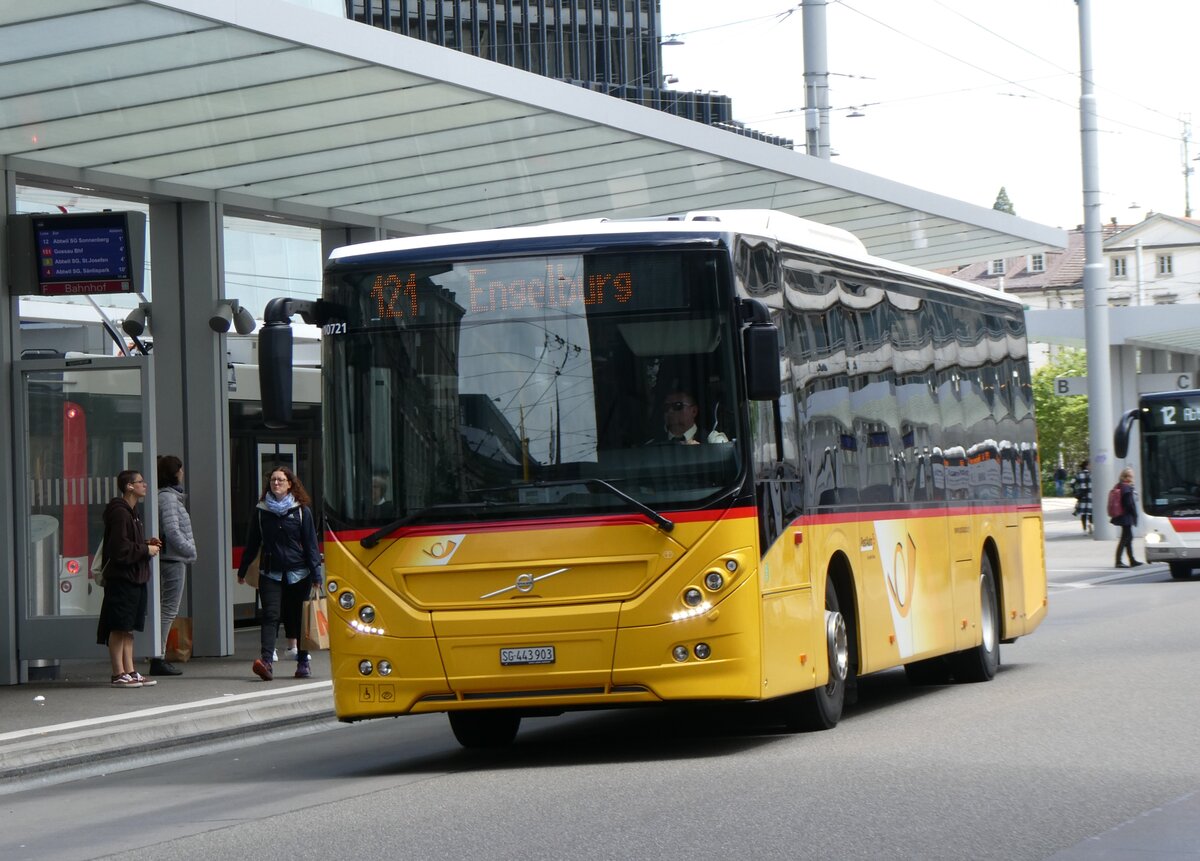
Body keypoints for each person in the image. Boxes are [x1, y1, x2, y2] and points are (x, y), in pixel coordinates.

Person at [236, 466, 322, 681]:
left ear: (290, 484)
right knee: (270, 615)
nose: (276, 483)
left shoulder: (302, 511)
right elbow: (253, 542)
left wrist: (316, 575)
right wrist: (243, 569)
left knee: (298, 618)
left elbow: (311, 544)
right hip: (270, 571)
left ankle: (303, 660)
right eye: (273, 480)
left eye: (281, 480)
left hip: (299, 572)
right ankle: (266, 662)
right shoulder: (261, 510)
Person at [96, 469, 162, 688]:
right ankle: (118, 673)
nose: (145, 485)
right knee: (118, 627)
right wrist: (145, 549)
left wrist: (146, 544)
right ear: (129, 487)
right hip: (122, 578)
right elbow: (119, 548)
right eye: (140, 482)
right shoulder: (120, 512)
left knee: (128, 627)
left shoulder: (133, 511)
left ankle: (130, 670)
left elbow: (127, 543)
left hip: (134, 577)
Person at [151, 455, 196, 676]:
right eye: (181, 469)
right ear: (174, 473)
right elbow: (172, 531)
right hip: (173, 559)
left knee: (164, 608)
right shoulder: (168, 499)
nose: (183, 473)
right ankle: (158, 656)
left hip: (168, 558)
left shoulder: (163, 497)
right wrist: (190, 549)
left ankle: (157, 654)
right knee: (169, 609)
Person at [652, 390, 729, 445]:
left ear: (694, 411)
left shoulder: (713, 440)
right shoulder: (653, 445)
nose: (670, 411)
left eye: (678, 406)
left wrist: (701, 452)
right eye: (666, 407)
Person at [1111, 466, 1142, 569]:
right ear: (1127, 477)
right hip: (1126, 516)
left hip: (1122, 515)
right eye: (1131, 476)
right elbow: (1129, 504)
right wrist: (1135, 514)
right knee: (1125, 539)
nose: (1133, 478)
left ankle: (1132, 560)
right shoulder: (1126, 488)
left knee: (1128, 538)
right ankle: (1118, 561)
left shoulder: (1119, 485)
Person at [1072, 460, 1092, 533]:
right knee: (1091, 512)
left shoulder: (1079, 474)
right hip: (1091, 496)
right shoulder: (1092, 474)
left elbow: (1072, 483)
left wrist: (1075, 491)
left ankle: (1084, 529)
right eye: (1090, 465)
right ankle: (1091, 525)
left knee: (1083, 514)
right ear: (1087, 466)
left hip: (1082, 496)